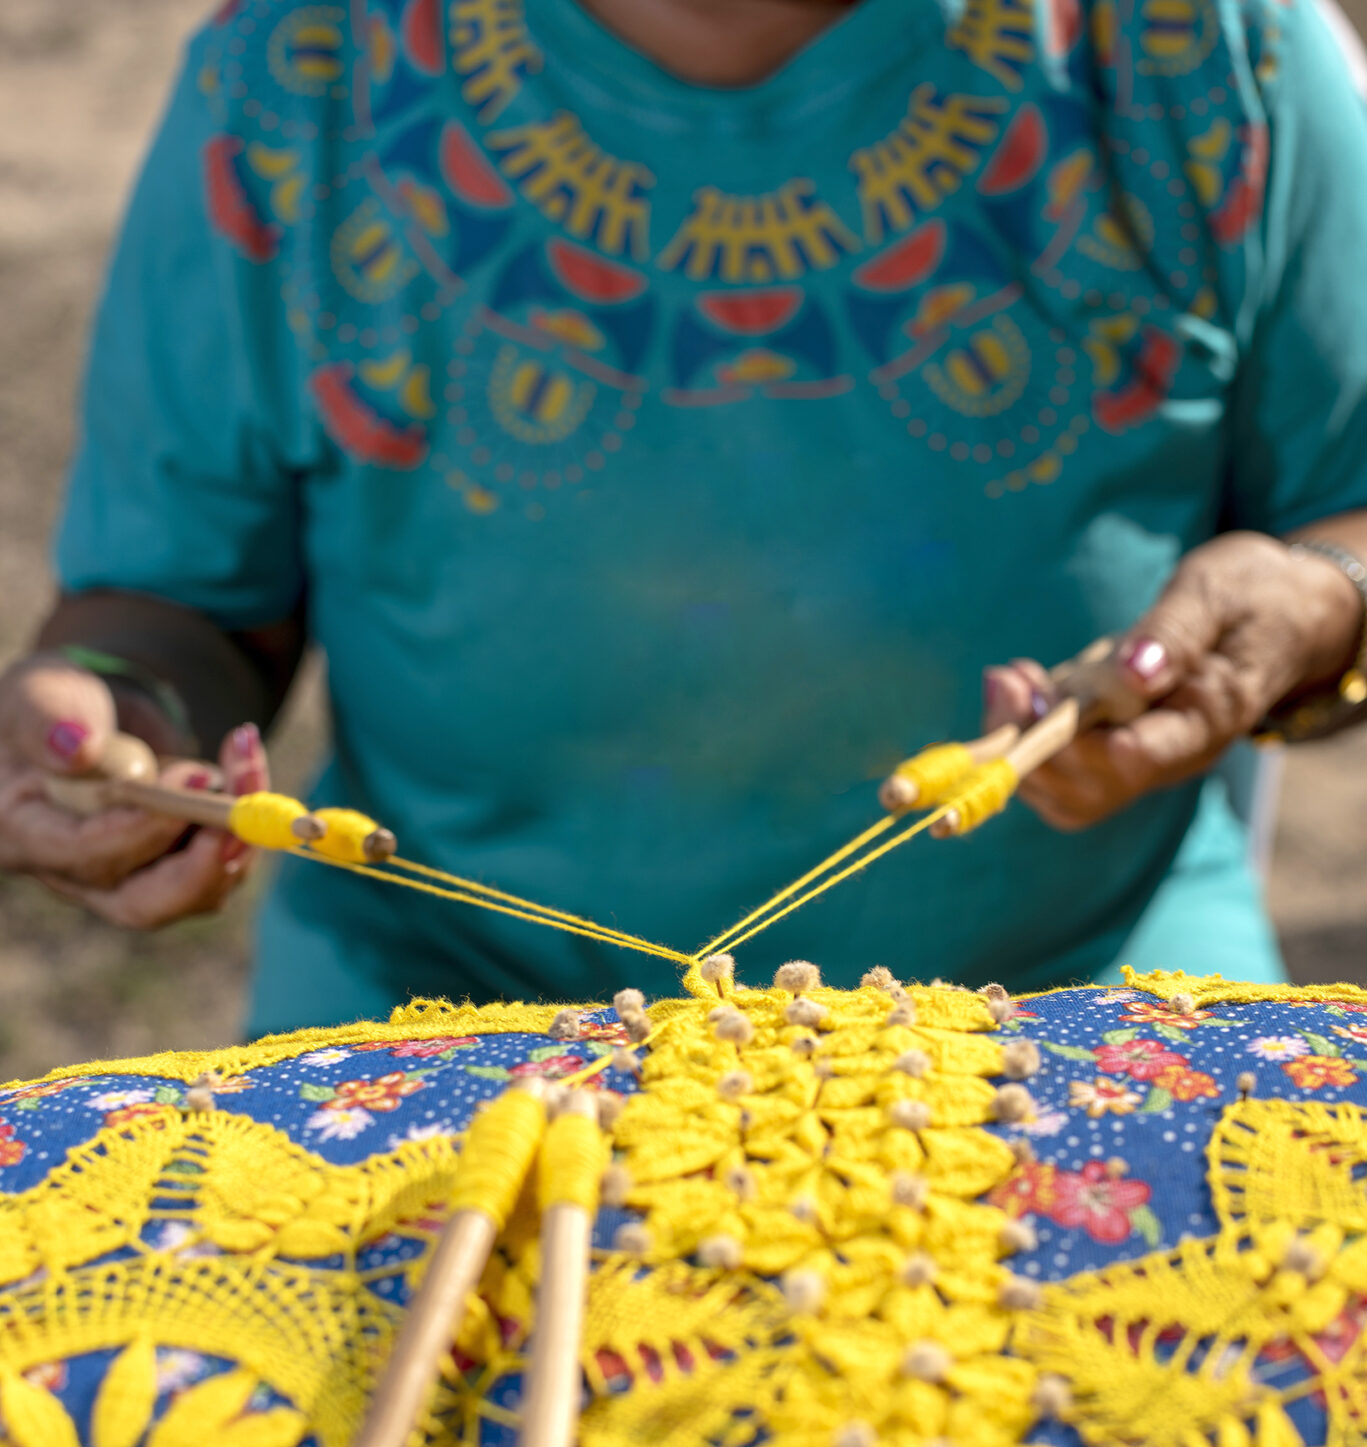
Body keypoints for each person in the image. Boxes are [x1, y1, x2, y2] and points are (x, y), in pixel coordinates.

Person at [3, 0, 1367, 1032]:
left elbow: (1349, 523)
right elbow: (175, 607)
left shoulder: (1204, 52)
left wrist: (1313, 609)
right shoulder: (300, 78)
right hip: (444, 1022)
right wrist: (122, 718)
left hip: (1090, 1000)